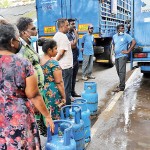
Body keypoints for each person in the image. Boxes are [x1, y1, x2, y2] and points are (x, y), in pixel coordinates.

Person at [0, 23, 54, 149]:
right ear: (12, 42)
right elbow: (34, 95)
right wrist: (47, 116)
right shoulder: (22, 63)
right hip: (19, 118)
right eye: (18, 39)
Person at [16, 17, 46, 135]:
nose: (36, 31)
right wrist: (32, 99)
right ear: (24, 32)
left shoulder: (29, 45)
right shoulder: (21, 49)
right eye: (33, 29)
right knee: (34, 125)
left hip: (39, 90)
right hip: (33, 94)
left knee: (41, 121)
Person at [39, 38, 66, 120]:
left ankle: (46, 131)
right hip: (52, 92)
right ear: (49, 50)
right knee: (54, 115)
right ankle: (55, 132)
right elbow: (59, 82)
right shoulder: (53, 63)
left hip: (42, 91)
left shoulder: (39, 60)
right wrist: (64, 97)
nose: (57, 51)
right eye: (55, 49)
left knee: (45, 115)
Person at [53, 18, 73, 105]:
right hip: (66, 66)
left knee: (62, 88)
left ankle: (63, 108)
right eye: (67, 25)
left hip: (61, 66)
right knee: (66, 89)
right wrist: (54, 62)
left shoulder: (56, 36)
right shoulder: (63, 36)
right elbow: (61, 52)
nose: (69, 27)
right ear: (61, 26)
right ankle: (67, 109)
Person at [112, 24, 136, 92]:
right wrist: (114, 49)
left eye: (123, 28)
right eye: (121, 28)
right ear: (118, 29)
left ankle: (122, 87)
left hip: (122, 56)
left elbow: (133, 42)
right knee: (118, 71)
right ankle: (121, 84)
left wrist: (128, 51)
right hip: (116, 56)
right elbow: (113, 43)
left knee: (121, 71)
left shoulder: (126, 36)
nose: (123, 29)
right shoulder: (114, 36)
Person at [67, 18, 80, 97]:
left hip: (75, 59)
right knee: (70, 78)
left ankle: (73, 92)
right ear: (68, 25)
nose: (74, 25)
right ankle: (69, 95)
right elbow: (73, 45)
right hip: (70, 60)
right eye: (72, 24)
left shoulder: (71, 34)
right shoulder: (68, 35)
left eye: (74, 24)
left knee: (74, 77)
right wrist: (76, 34)